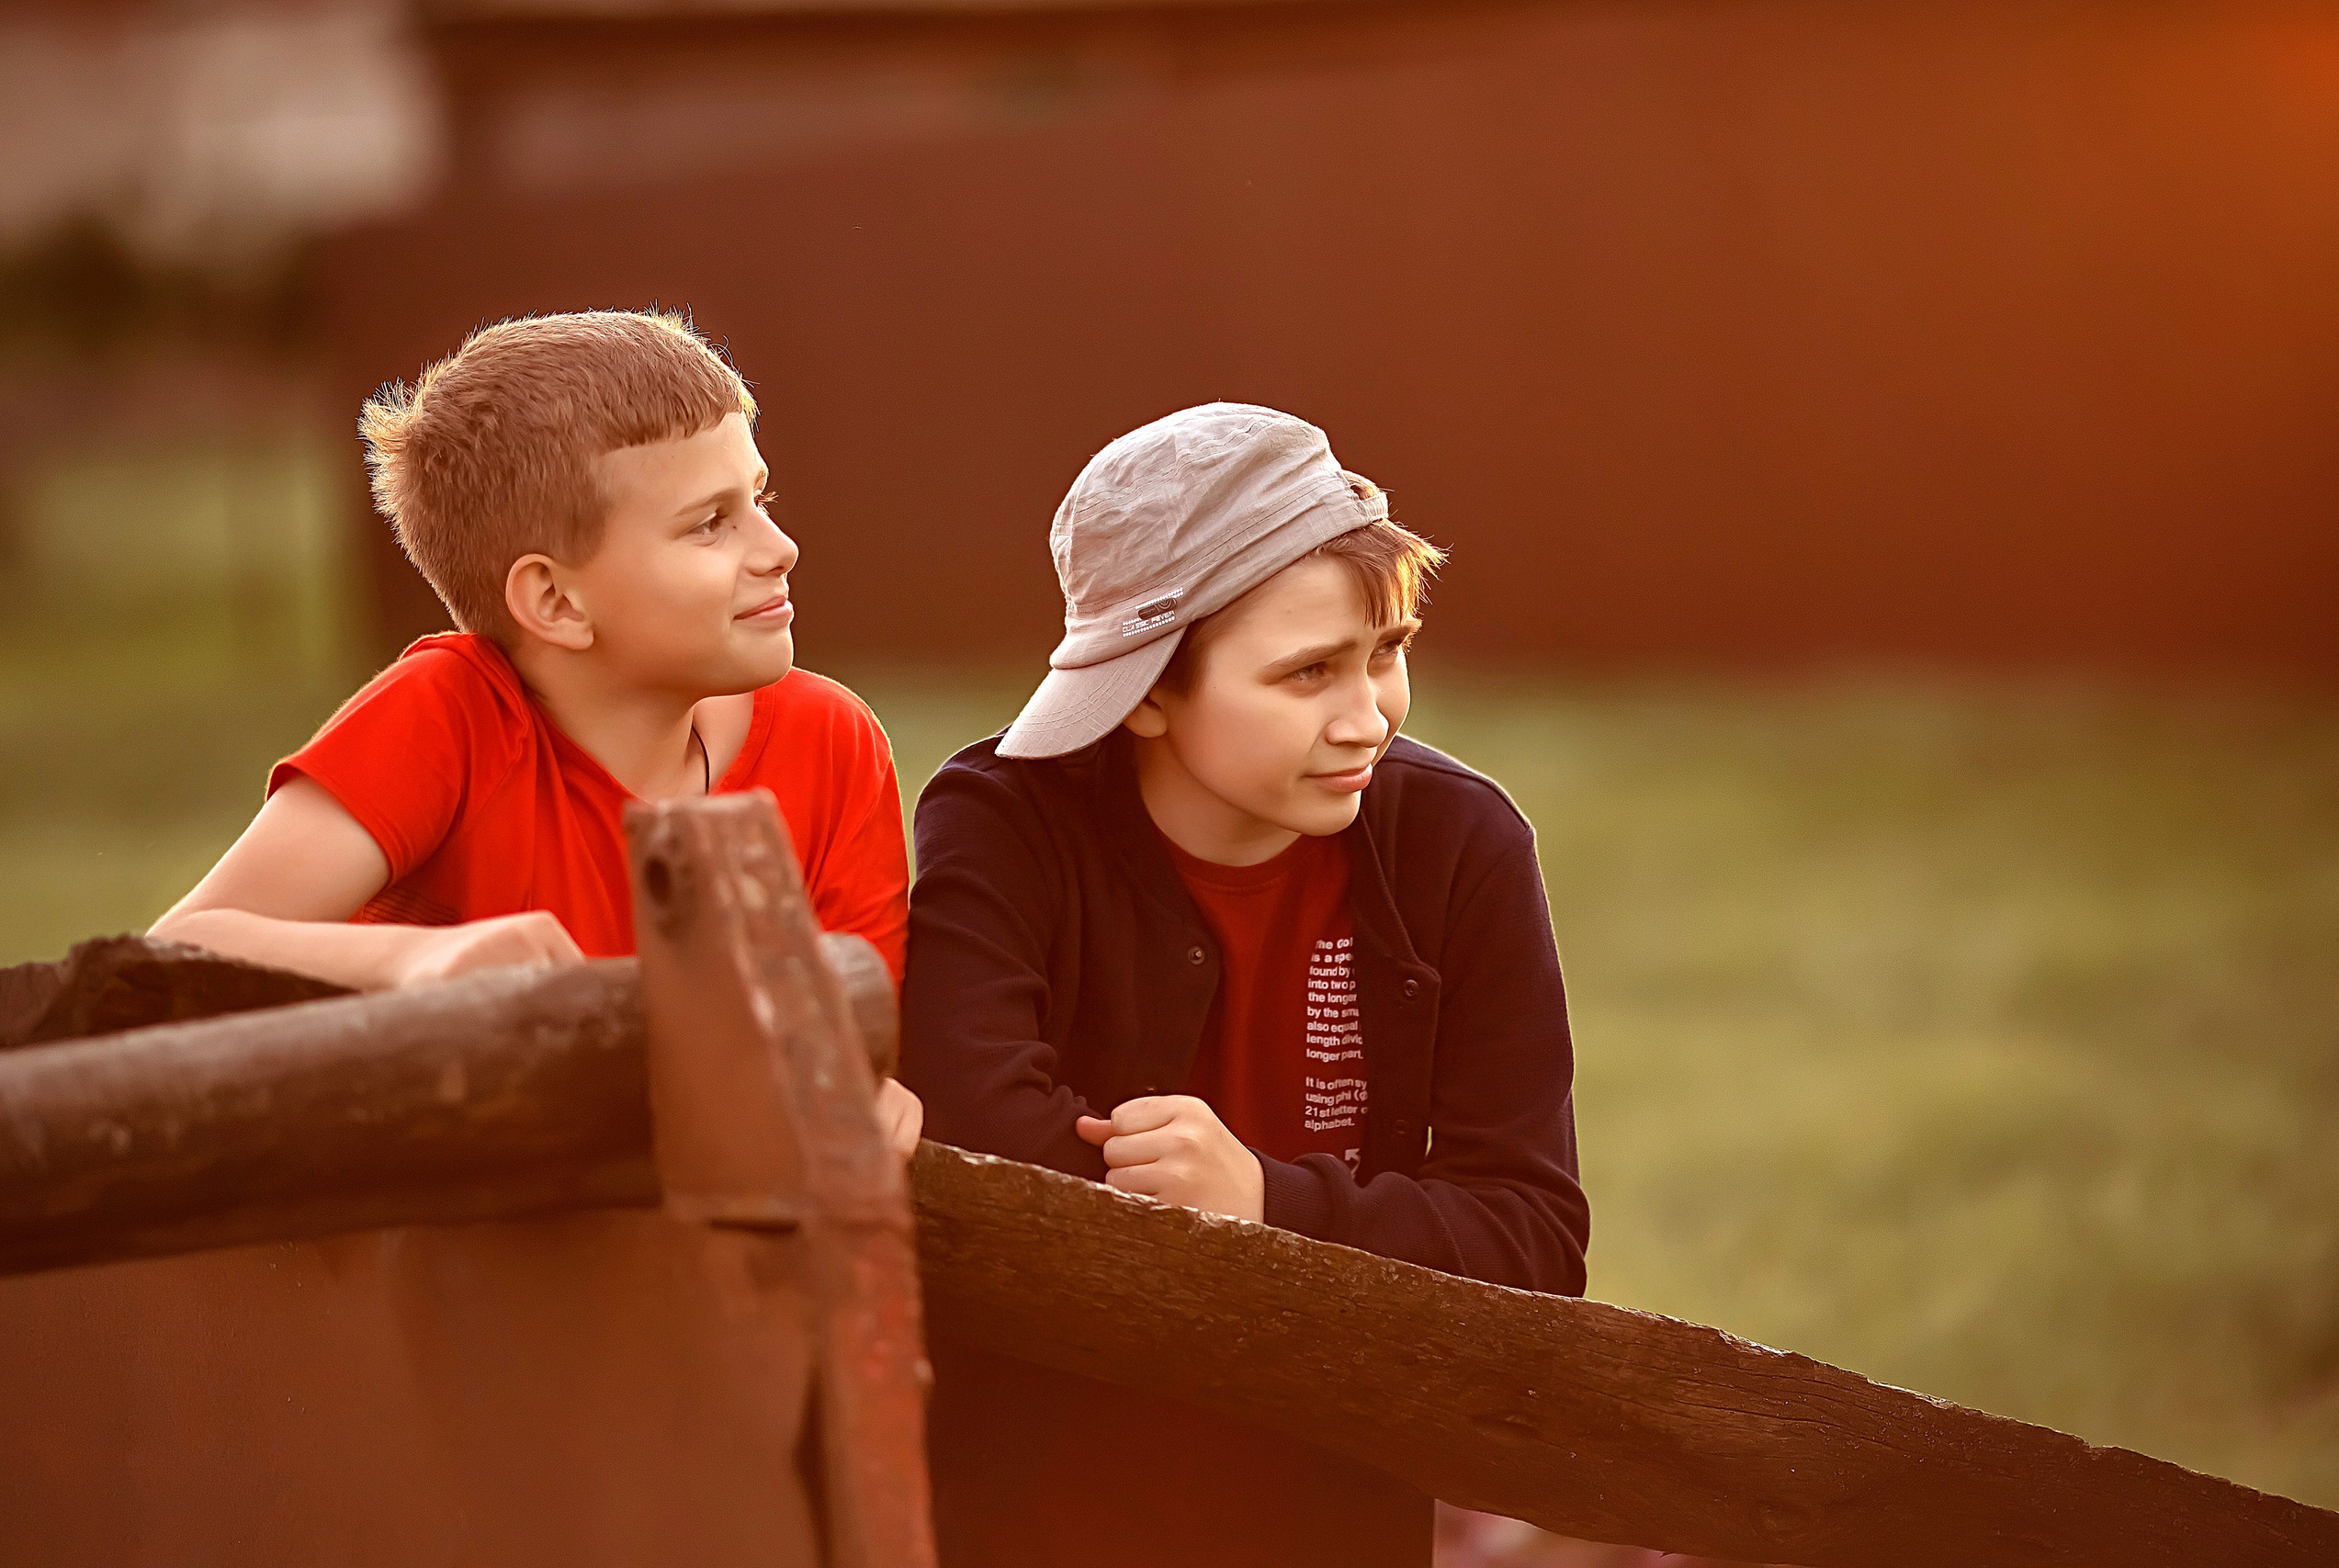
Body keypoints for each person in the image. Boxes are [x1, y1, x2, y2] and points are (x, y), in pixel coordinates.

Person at [899, 403, 1588, 1565]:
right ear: (1148, 691)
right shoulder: (1005, 826)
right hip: (1030, 1505)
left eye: (1386, 653)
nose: (1364, 717)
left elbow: (1531, 1240)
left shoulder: (1462, 847)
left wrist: (1263, 1203)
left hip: (1328, 1506)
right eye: (1307, 672)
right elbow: (970, 1149)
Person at [153, 309, 921, 1154]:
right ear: (555, 602)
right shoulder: (448, 714)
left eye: (760, 498)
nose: (780, 548)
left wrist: (871, 1096)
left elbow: (850, 1052)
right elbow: (176, 953)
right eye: (710, 522)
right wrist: (420, 967)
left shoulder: (833, 742)